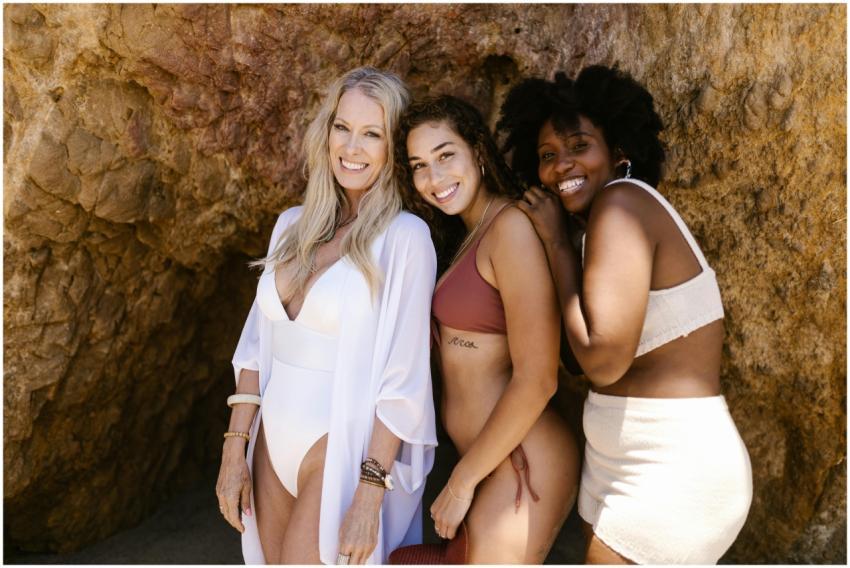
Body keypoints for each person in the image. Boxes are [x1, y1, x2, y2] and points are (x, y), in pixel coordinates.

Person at [497, 65, 753, 564]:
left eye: (578, 146)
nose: (561, 166)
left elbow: (602, 363)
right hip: (618, 465)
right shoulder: (601, 230)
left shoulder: (622, 204)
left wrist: (555, 245)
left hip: (673, 470)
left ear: (617, 151)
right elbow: (576, 356)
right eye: (547, 157)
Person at [215, 67, 438, 565]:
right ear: (326, 131)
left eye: (372, 133)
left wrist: (371, 489)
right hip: (271, 444)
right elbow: (255, 344)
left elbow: (403, 383)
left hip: (342, 448)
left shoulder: (405, 239)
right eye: (343, 127)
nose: (352, 147)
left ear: (391, 147)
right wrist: (235, 447)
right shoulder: (291, 226)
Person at [397, 95, 580, 564]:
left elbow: (539, 377)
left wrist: (461, 482)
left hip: (522, 464)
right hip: (483, 464)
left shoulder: (510, 229)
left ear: (477, 151)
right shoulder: (468, 236)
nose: (433, 178)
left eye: (445, 156)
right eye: (419, 165)